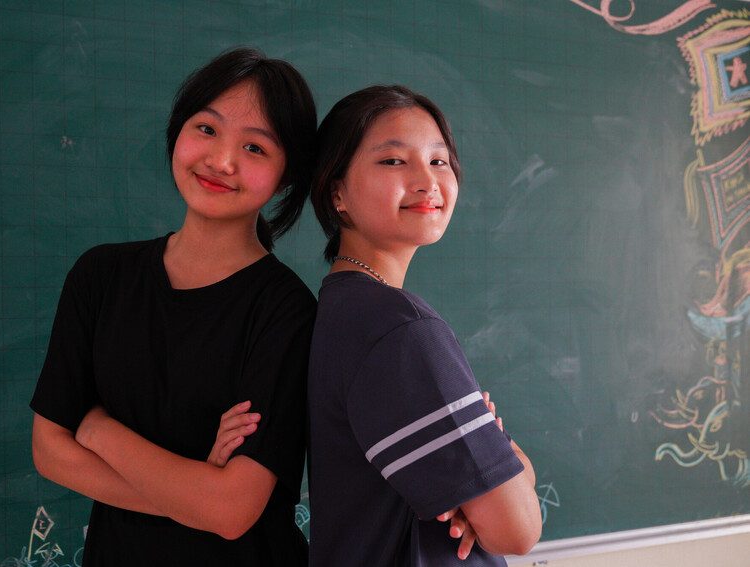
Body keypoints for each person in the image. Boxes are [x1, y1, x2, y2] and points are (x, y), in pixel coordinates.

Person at [29, 47, 317, 566]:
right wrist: (193, 495)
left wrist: (97, 429)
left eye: (255, 148)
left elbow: (232, 511)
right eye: (206, 129)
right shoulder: (100, 276)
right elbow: (49, 450)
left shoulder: (286, 309)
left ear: (286, 176)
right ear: (178, 132)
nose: (221, 161)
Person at [307, 85, 542, 566]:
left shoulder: (340, 308)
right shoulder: (399, 330)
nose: (427, 181)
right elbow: (517, 530)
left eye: (438, 160)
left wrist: (490, 466)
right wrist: (501, 452)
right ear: (337, 192)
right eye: (393, 161)